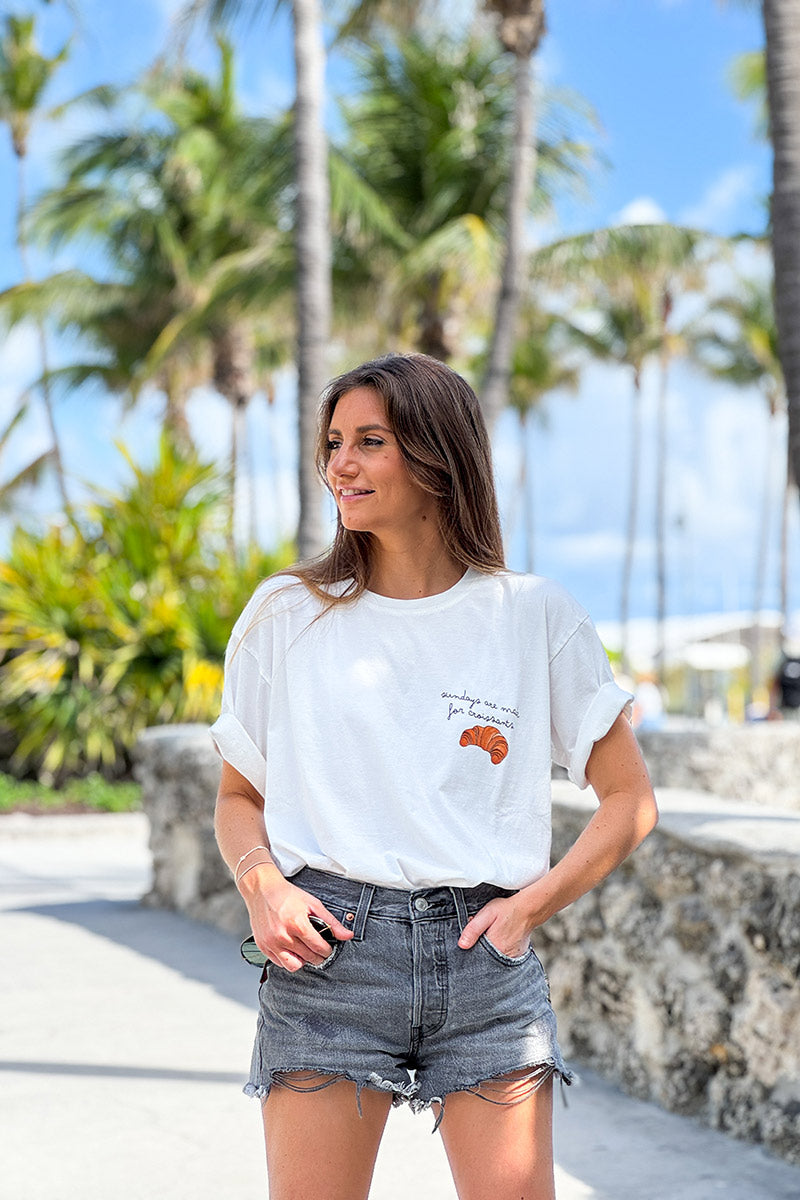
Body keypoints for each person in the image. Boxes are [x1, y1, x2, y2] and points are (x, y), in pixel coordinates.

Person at [211, 352, 658, 1200]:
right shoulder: (286, 614)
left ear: (437, 454)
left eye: (369, 441)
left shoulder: (535, 617)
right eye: (334, 442)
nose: (340, 463)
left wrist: (534, 905)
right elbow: (240, 798)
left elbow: (631, 801)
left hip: (485, 963)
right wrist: (263, 889)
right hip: (330, 960)